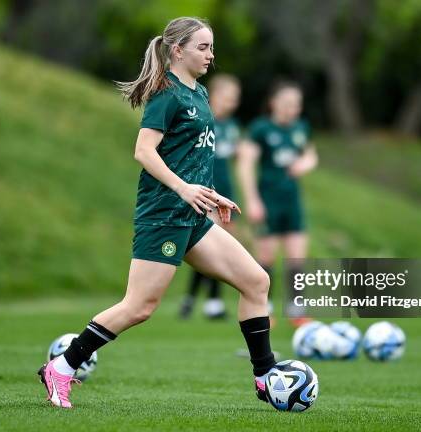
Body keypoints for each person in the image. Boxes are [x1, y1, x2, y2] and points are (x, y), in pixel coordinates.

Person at [37, 17, 275, 409]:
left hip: (193, 216)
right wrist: (183, 189)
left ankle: (266, 376)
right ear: (177, 50)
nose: (210, 55)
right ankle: (62, 367)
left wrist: (211, 195)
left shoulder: (198, 92)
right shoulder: (166, 94)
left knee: (256, 282)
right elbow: (144, 151)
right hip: (164, 215)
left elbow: (189, 158)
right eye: (203, 47)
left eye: (212, 48)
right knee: (139, 307)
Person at [238, 81, 318, 327]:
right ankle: (265, 309)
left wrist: (306, 163)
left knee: (296, 257)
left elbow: (310, 154)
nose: (291, 109)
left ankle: (297, 310)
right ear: (274, 103)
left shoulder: (301, 127)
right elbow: (245, 164)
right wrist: (252, 200)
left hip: (292, 201)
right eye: (286, 104)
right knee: (266, 257)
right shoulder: (260, 128)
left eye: (296, 105)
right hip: (267, 200)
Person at [179, 73, 242, 320]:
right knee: (210, 249)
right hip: (206, 194)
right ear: (214, 95)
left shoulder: (232, 127)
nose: (232, 103)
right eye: (228, 97)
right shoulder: (202, 120)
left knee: (216, 250)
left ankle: (196, 300)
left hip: (226, 196)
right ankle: (207, 301)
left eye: (235, 99)